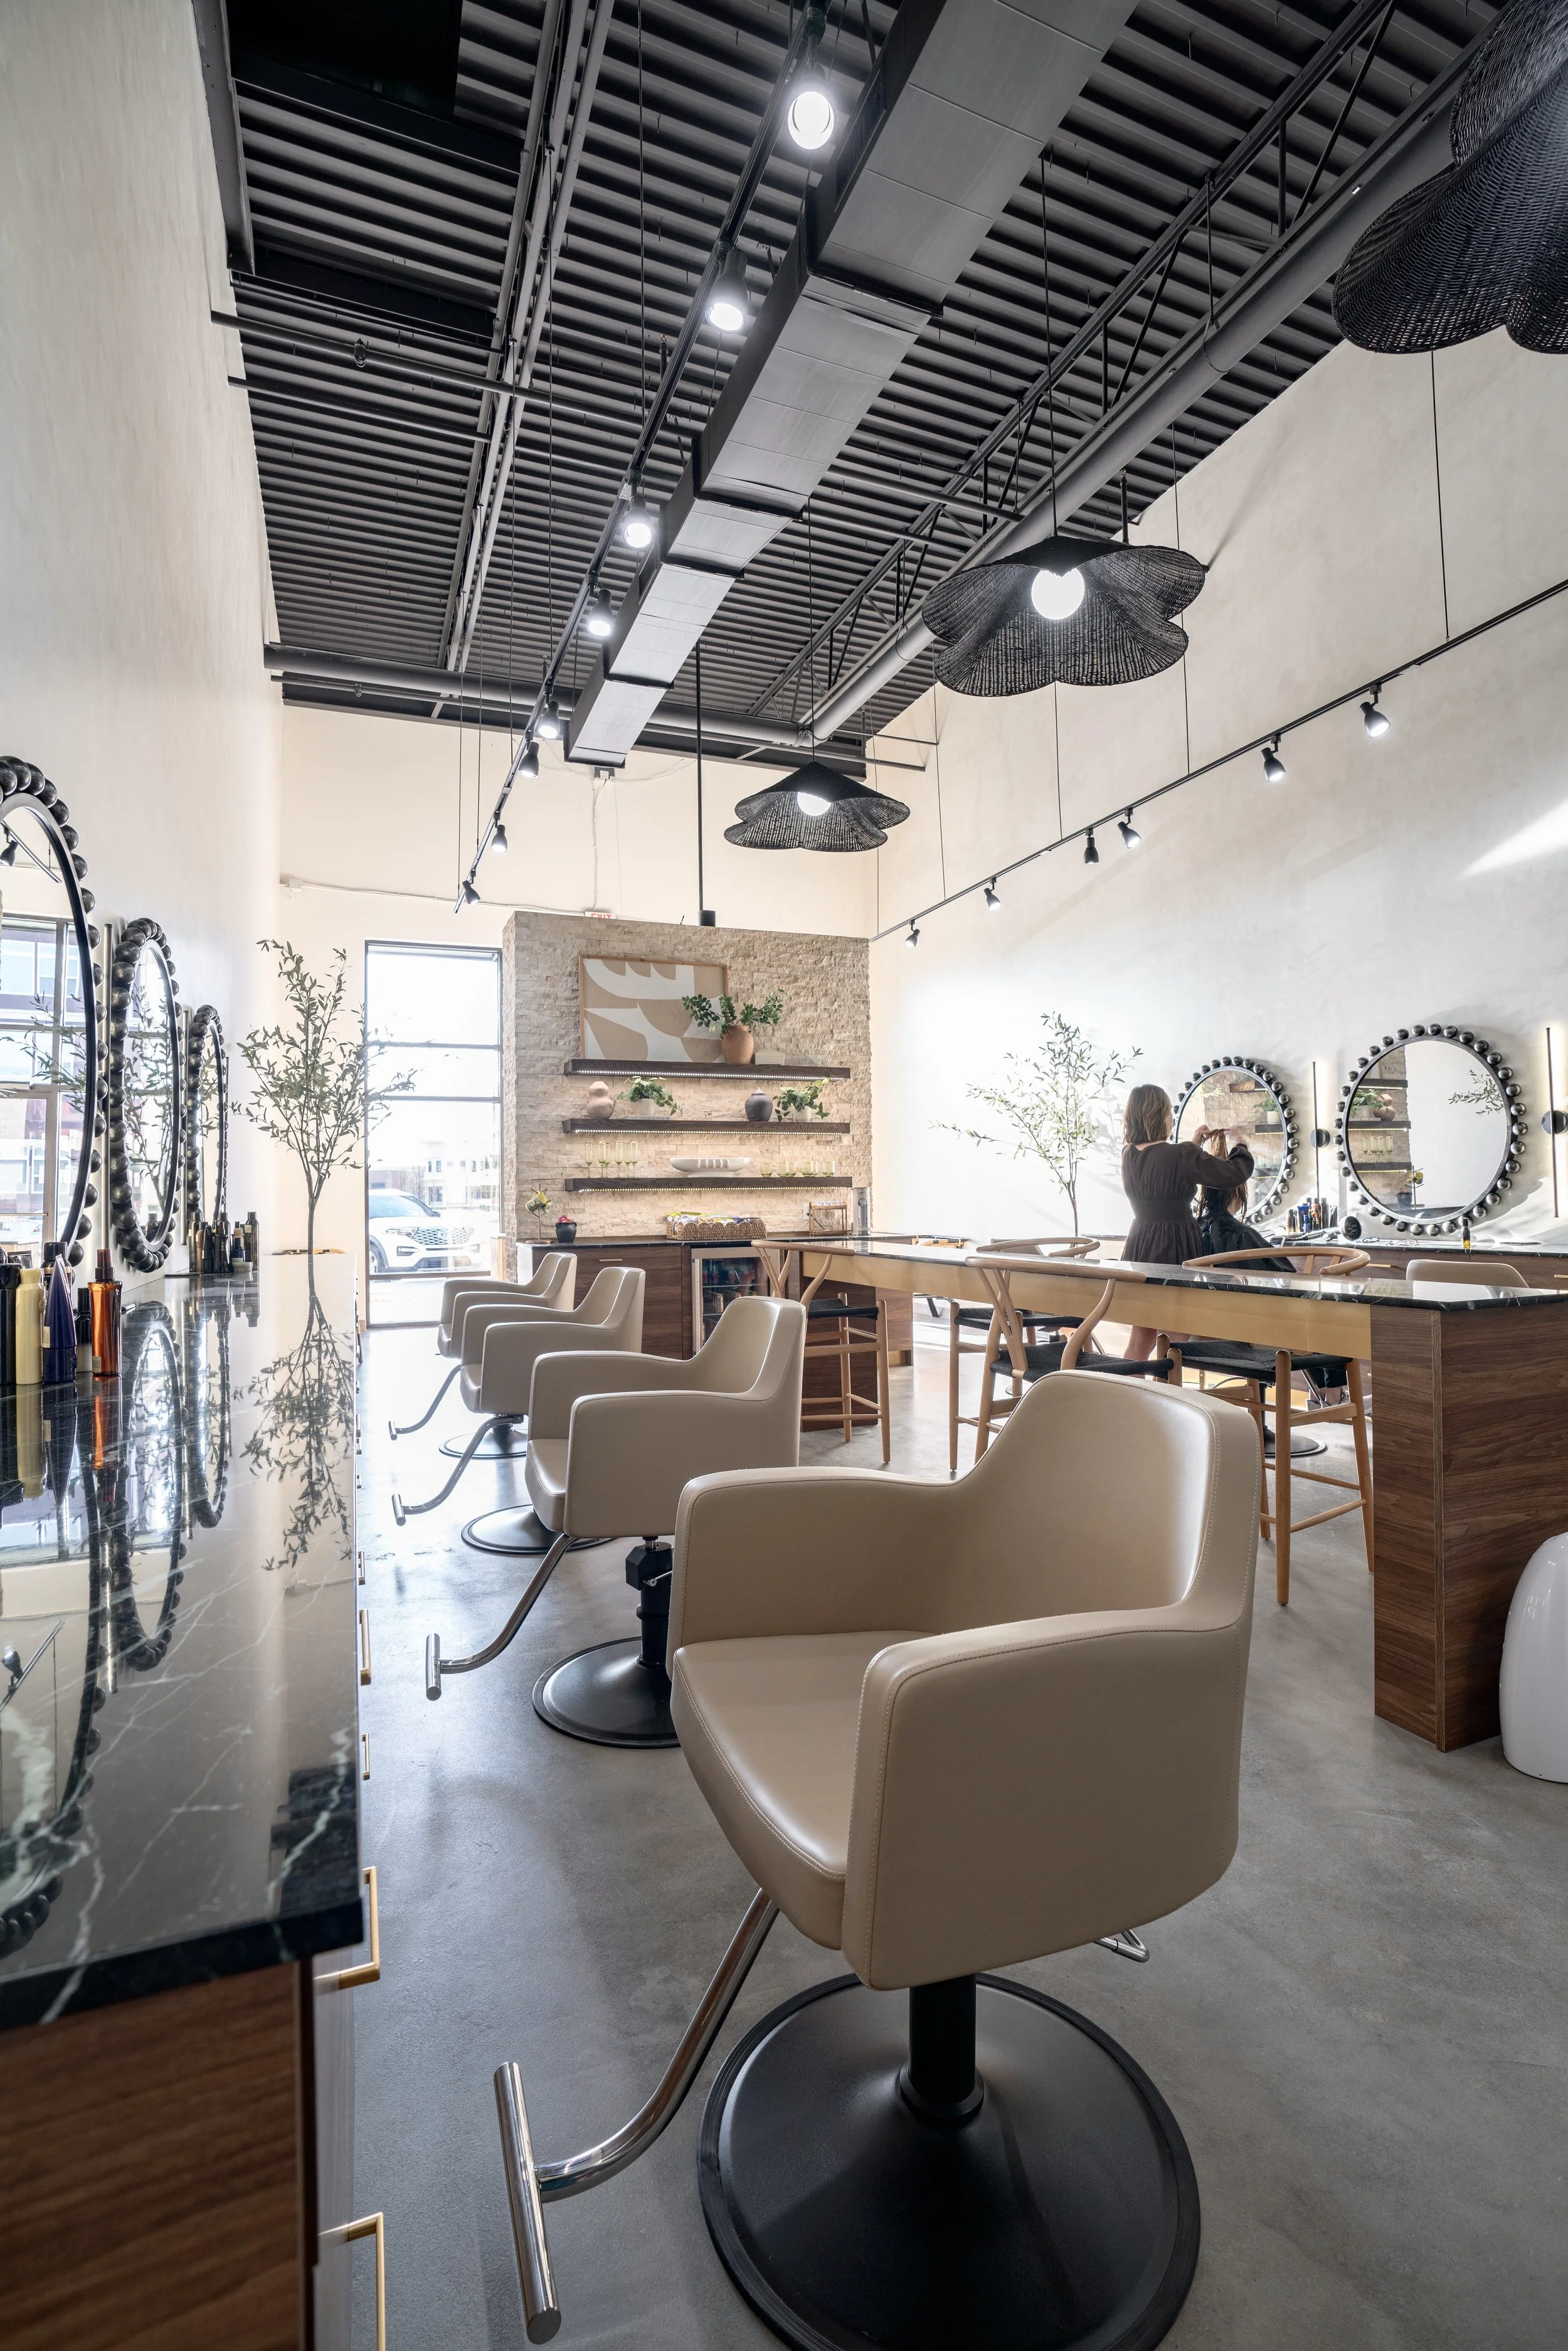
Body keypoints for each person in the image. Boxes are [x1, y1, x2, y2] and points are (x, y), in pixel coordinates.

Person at [1120, 1084, 1256, 1358]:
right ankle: (1165, 1398)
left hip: (1140, 1244)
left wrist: (1194, 1145)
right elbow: (1231, 1174)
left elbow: (1164, 1171)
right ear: (1161, 1115)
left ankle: (1129, 1397)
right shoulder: (1180, 1155)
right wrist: (1241, 1145)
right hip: (1174, 1245)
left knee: (1141, 1337)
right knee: (1175, 1338)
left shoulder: (1129, 1155)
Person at [1197, 1183, 1296, 1273]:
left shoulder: (1196, 1228)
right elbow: (1287, 1276)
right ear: (1236, 1190)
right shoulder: (1242, 1233)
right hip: (1239, 1293)